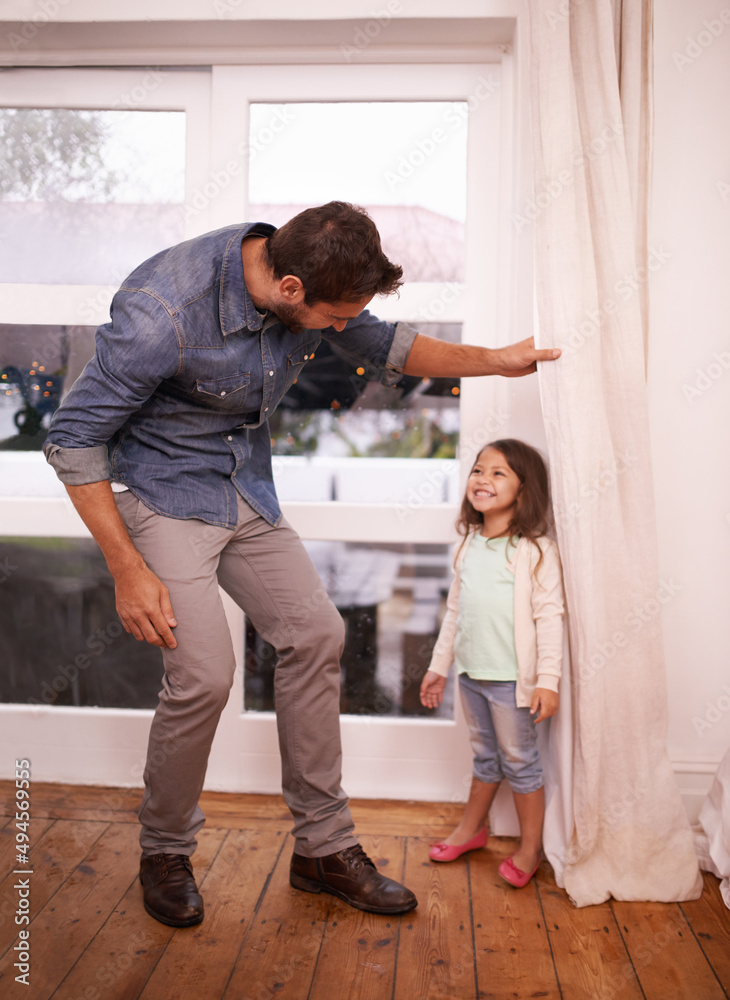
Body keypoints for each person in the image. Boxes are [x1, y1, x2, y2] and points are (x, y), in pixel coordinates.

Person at [43, 202, 561, 926]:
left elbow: (393, 347)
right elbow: (72, 441)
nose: (343, 328)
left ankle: (323, 848)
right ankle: (163, 851)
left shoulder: (313, 276)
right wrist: (128, 568)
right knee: (204, 676)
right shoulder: (162, 312)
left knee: (317, 635)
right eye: (335, 316)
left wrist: (500, 360)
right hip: (163, 494)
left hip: (242, 487)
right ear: (290, 290)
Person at [420, 439, 564, 888]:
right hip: (471, 676)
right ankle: (473, 830)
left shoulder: (535, 551)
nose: (483, 479)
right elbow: (455, 612)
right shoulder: (469, 545)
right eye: (478, 470)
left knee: (521, 762)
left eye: (498, 473)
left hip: (511, 684)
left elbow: (551, 617)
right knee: (485, 757)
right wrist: (439, 666)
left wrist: (548, 681)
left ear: (524, 490)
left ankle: (530, 848)